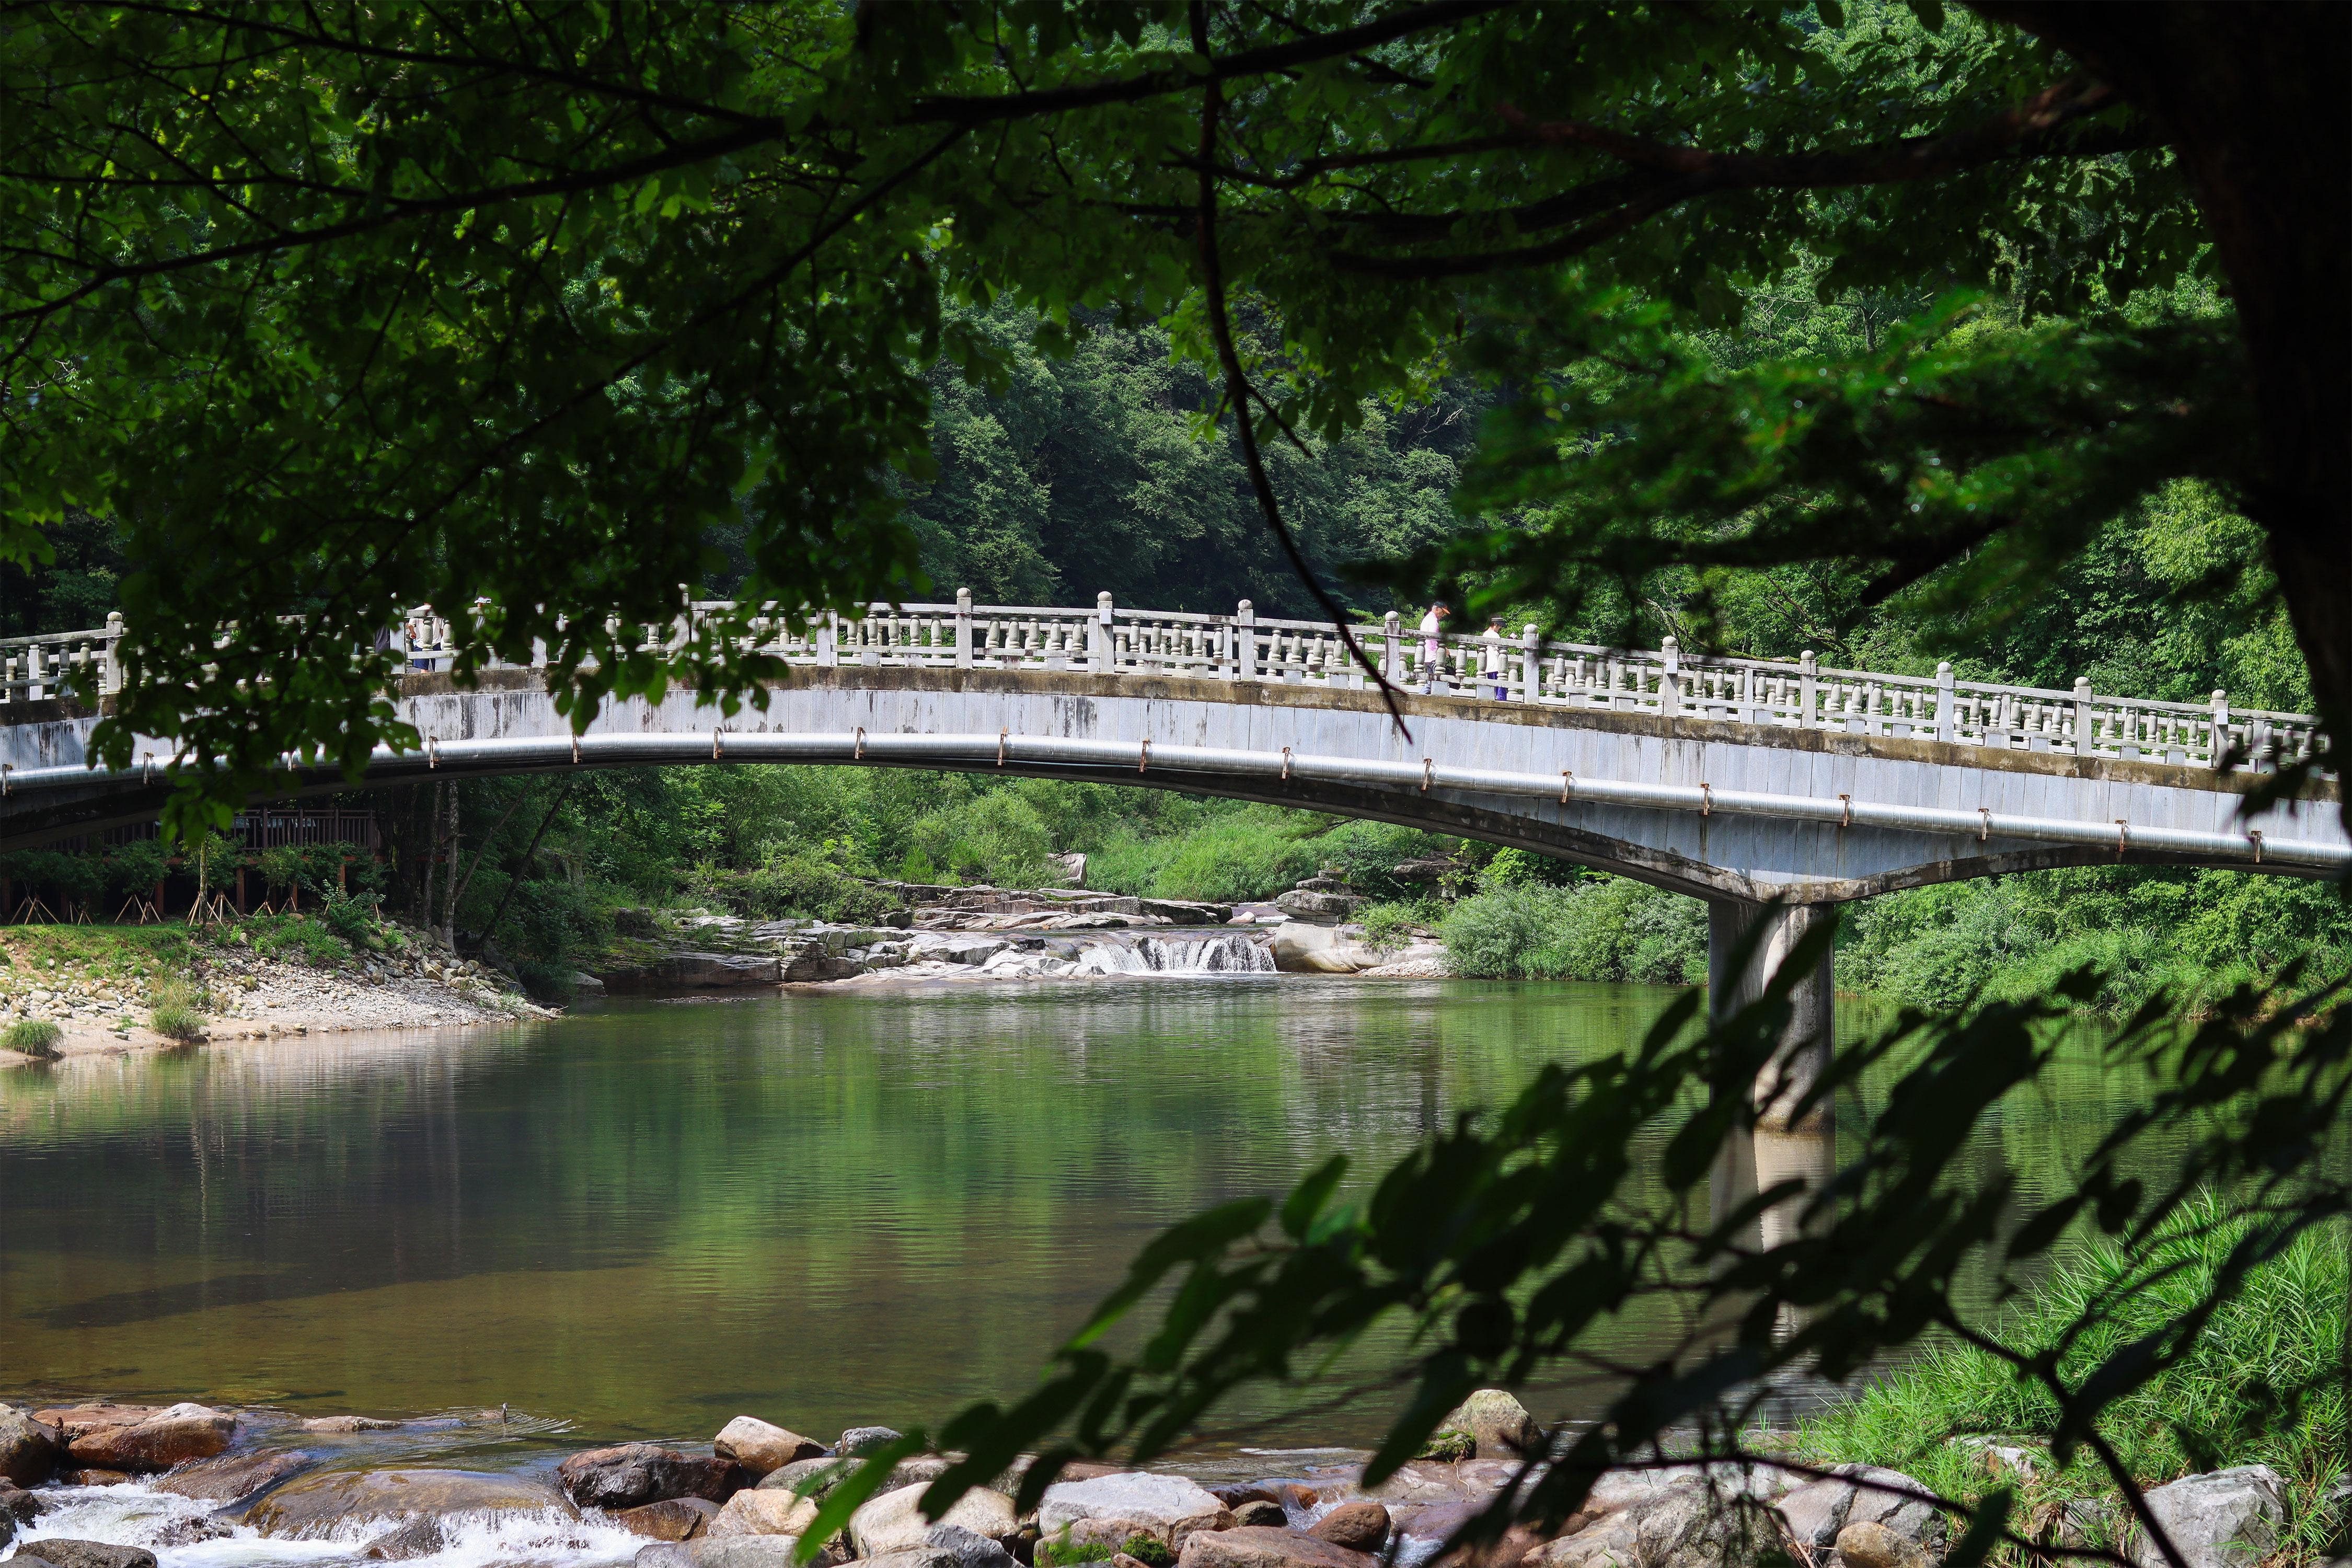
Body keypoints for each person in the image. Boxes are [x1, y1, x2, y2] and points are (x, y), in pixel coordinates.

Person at [1417, 600, 1450, 692]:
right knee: (1440, 680)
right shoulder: (1433, 621)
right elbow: (1433, 639)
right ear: (1437, 609)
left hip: (1427, 655)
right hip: (1433, 656)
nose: (1443, 615)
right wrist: (1442, 650)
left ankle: (1420, 698)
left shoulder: (1427, 619)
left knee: (1430, 683)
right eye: (1443, 612)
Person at [1483, 616, 1509, 699]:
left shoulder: (1485, 634)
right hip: (1496, 665)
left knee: (1492, 689)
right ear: (1495, 624)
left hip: (1488, 666)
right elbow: (1501, 648)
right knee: (1500, 690)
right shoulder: (1495, 635)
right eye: (1500, 626)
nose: (1500, 628)